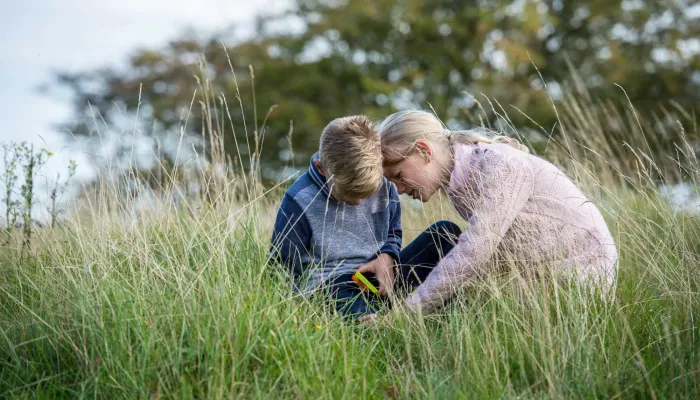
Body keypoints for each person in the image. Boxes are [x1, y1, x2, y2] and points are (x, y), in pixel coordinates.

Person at [375, 110, 618, 314]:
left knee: (450, 251)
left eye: (398, 175)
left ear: (424, 151)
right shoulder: (458, 181)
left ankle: (384, 313)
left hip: (582, 276)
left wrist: (407, 313)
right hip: (539, 280)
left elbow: (475, 252)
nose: (398, 189)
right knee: (443, 239)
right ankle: (370, 305)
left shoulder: (500, 165)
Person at [269, 115, 461, 319]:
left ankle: (449, 316)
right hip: (334, 288)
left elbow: (392, 232)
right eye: (348, 194)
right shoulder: (300, 199)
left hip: (382, 278)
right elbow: (282, 267)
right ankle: (376, 322)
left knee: (445, 233)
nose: (358, 203)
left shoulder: (384, 183)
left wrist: (388, 254)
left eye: (366, 194)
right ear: (321, 169)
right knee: (358, 315)